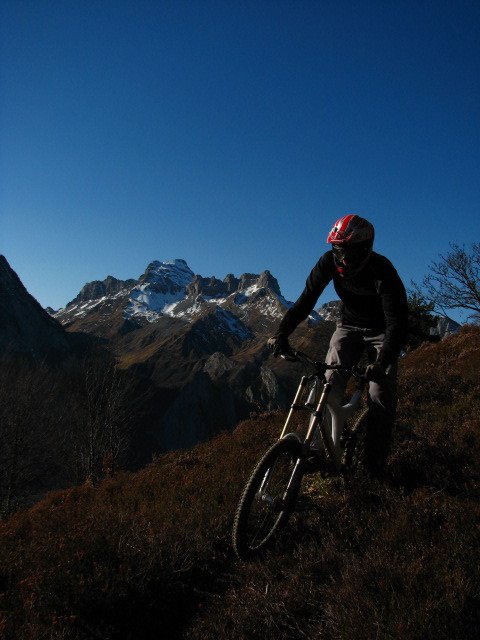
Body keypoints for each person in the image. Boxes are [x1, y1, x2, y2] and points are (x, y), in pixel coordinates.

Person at [268, 214, 408, 477]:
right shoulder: (328, 262)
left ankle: (373, 468)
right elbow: (306, 300)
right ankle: (318, 451)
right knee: (328, 385)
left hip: (381, 331)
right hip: (348, 326)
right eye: (336, 248)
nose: (341, 257)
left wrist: (382, 361)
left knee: (380, 395)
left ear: (364, 249)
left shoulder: (382, 271)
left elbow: (397, 322)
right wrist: (282, 333)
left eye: (347, 251)